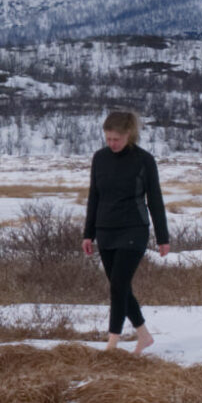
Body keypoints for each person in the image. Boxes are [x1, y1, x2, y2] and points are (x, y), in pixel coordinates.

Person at [81, 109, 170, 353]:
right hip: (105, 230)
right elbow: (94, 196)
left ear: (129, 134)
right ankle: (144, 336)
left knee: (118, 286)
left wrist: (163, 237)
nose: (112, 144)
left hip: (134, 229)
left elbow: (155, 199)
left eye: (116, 139)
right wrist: (88, 234)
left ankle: (112, 343)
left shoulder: (144, 160)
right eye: (108, 139)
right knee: (120, 287)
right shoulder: (100, 158)